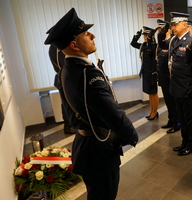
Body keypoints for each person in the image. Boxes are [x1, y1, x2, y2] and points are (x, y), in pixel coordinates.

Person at [44, 8, 138, 200]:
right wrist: (131, 135)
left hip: (86, 145)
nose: (92, 35)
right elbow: (113, 113)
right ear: (74, 45)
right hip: (99, 151)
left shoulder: (65, 71)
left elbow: (69, 113)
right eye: (86, 33)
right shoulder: (87, 75)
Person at [167, 12, 192, 156]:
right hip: (176, 85)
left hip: (187, 86)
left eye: (175, 24)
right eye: (172, 25)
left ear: (184, 25)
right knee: (182, 118)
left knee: (189, 119)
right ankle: (184, 142)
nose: (173, 27)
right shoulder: (174, 40)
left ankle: (191, 145)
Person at [156, 19, 180, 133]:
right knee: (168, 102)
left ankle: (176, 122)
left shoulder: (172, 42)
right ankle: (171, 120)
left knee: (173, 102)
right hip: (164, 78)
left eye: (162, 29)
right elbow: (160, 42)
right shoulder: (164, 43)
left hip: (170, 78)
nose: (160, 31)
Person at [130, 26, 159, 120]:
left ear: (152, 36)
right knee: (149, 93)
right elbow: (133, 44)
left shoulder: (154, 46)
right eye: (144, 35)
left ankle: (155, 112)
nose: (145, 37)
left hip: (152, 73)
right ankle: (151, 111)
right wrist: (136, 36)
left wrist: (151, 40)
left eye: (147, 35)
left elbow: (153, 56)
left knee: (153, 93)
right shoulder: (144, 45)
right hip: (145, 72)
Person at [48, 44, 76, 134]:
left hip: (64, 77)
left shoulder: (55, 47)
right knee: (67, 103)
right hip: (65, 78)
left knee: (68, 102)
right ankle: (68, 126)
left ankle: (70, 125)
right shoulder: (58, 48)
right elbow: (63, 65)